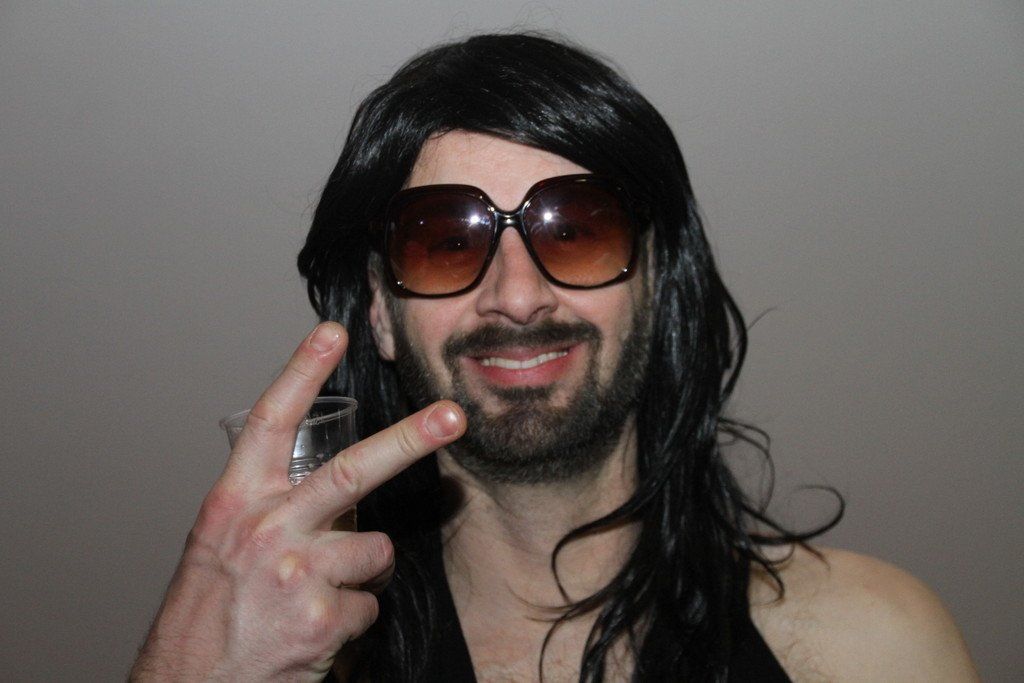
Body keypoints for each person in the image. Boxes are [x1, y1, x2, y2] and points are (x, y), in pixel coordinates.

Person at [131, 33, 978, 682]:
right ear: (381, 312)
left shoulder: (875, 643)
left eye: (574, 229)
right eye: (445, 241)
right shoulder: (287, 659)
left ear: (656, 280)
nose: (518, 295)